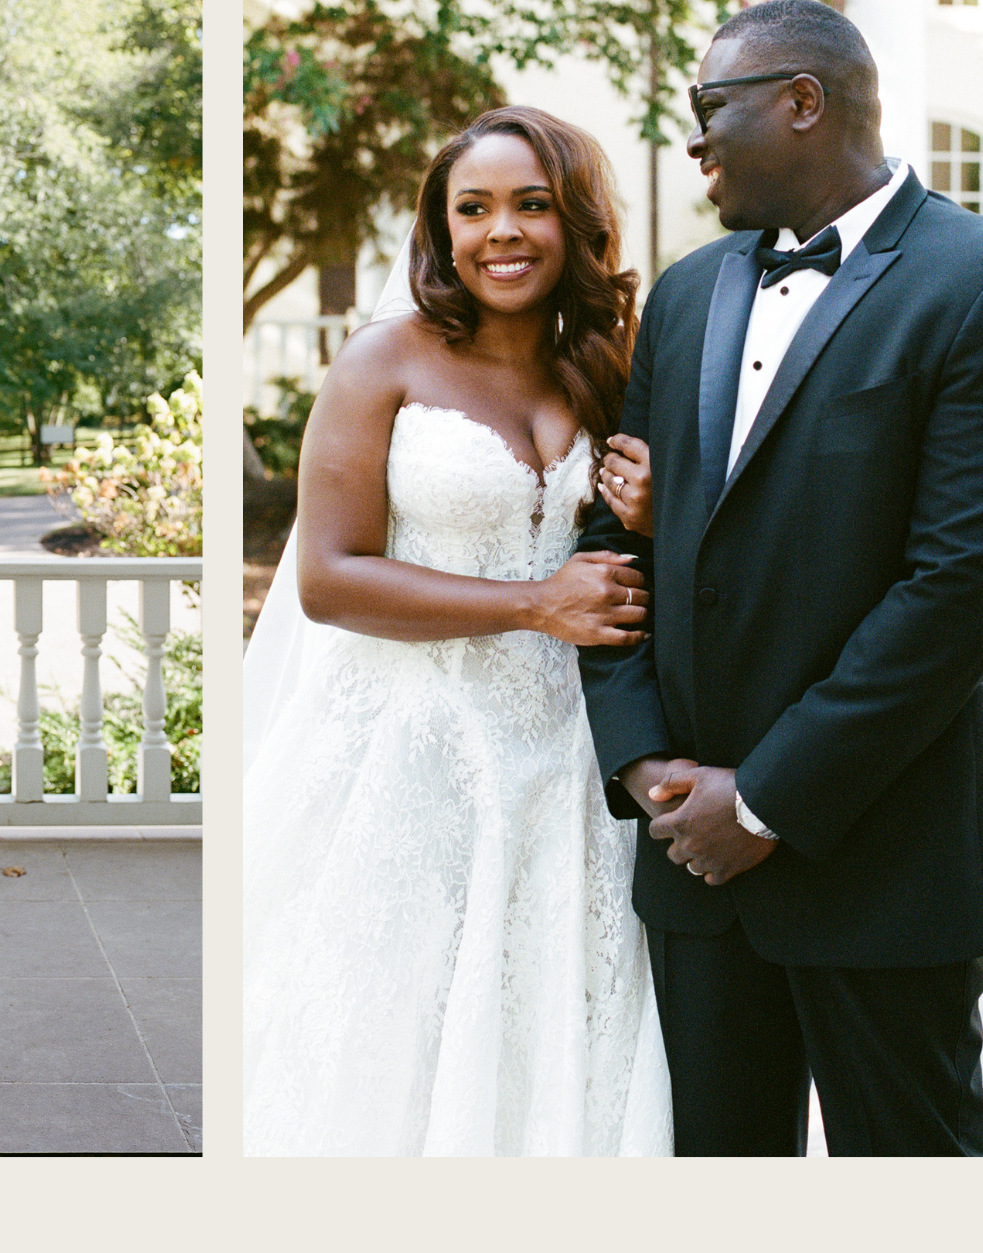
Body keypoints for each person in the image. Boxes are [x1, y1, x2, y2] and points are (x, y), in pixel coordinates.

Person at [577, 0, 983, 1156]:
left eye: (706, 108)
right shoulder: (682, 294)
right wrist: (641, 765)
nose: (693, 142)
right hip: (689, 861)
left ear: (801, 100)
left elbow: (963, 586)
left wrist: (766, 798)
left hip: (882, 857)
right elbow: (615, 544)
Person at [242, 109, 674, 1156]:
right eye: (471, 208)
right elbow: (328, 579)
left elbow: (636, 565)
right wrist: (532, 602)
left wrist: (662, 518)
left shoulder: (605, 367)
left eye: (530, 204)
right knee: (401, 1043)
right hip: (413, 756)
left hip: (571, 764)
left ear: (573, 221)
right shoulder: (380, 361)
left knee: (553, 1030)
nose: (501, 232)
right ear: (439, 230)